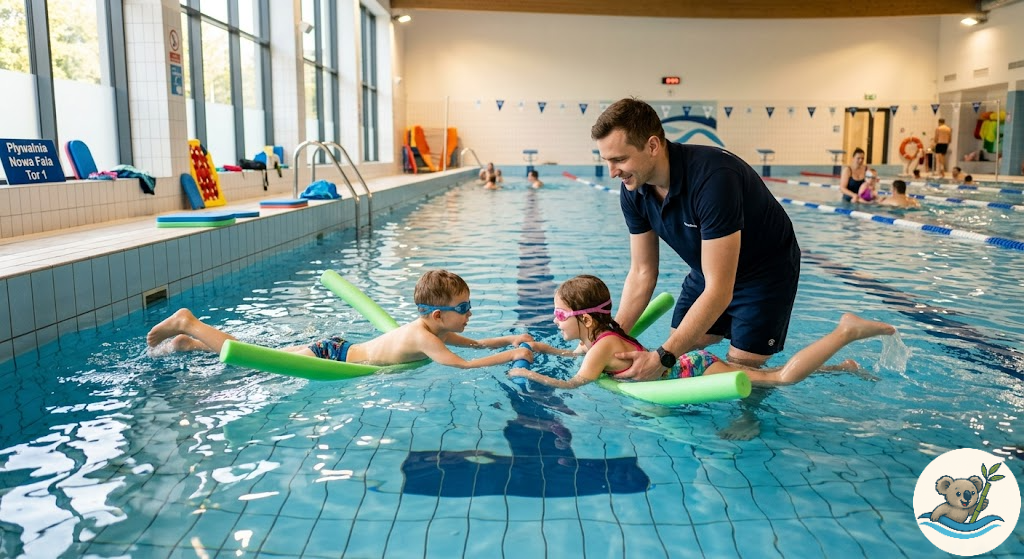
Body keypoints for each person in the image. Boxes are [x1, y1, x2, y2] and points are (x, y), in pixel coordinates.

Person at [591, 97, 801, 379]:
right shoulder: (633, 190)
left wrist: (663, 356)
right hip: (707, 271)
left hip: (762, 275)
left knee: (741, 372)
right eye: (607, 160)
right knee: (687, 358)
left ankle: (825, 371)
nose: (612, 171)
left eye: (620, 159)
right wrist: (609, 338)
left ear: (652, 146)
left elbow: (720, 290)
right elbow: (642, 272)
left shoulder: (713, 179)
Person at [508, 275, 896, 389]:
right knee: (763, 377)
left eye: (560, 315)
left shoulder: (599, 348)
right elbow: (572, 356)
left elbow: (576, 382)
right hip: (691, 364)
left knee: (779, 379)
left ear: (586, 320)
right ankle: (841, 366)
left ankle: (845, 331)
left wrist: (529, 374)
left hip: (692, 369)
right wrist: (537, 346)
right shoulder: (600, 338)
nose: (555, 320)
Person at [146, 269, 534, 369]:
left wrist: (510, 340)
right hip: (329, 358)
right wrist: (511, 357)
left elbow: (478, 345)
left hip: (337, 348)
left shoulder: (431, 330)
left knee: (260, 354)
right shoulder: (426, 338)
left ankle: (187, 344)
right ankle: (190, 324)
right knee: (255, 360)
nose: (470, 314)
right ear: (438, 315)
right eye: (464, 308)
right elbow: (463, 365)